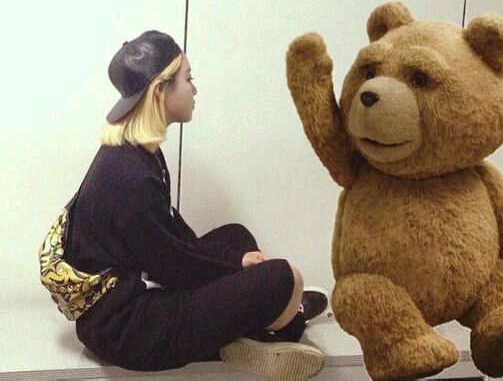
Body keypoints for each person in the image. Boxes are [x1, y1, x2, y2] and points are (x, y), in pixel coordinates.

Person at [63, 30, 328, 379]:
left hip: (130, 298)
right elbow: (172, 265)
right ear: (160, 90)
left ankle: (259, 328)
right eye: (188, 79)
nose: (194, 89)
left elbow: (171, 238)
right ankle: (280, 325)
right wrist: (241, 271)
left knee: (237, 237)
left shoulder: (135, 151)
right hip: (129, 331)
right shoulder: (131, 175)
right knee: (283, 277)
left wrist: (237, 260)